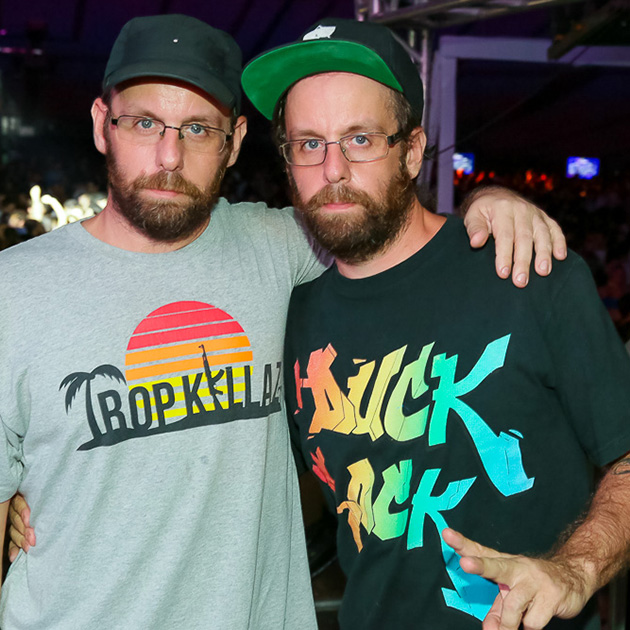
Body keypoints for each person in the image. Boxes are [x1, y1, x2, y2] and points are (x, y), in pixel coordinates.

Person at [2, 13, 565, 630]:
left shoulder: (279, 246)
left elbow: (389, 219)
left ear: (235, 141)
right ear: (100, 124)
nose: (169, 155)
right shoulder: (14, 290)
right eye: (143, 123)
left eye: (198, 128)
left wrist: (491, 201)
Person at [239, 17, 630, 630]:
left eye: (360, 138)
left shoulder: (523, 270)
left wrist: (574, 570)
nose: (332, 169)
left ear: (413, 149)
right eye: (309, 143)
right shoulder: (292, 317)